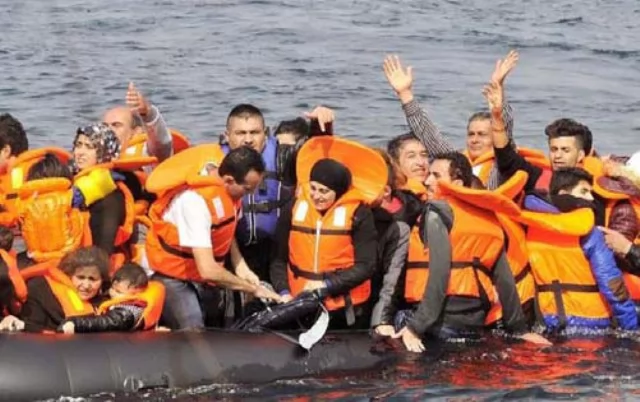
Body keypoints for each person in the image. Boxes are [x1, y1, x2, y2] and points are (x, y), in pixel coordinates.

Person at [390, 152, 549, 352]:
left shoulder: (437, 212)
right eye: (429, 174)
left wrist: (416, 327)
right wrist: (519, 330)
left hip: (439, 319)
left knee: (397, 319)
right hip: (474, 320)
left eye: (436, 176)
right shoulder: (489, 217)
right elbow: (504, 280)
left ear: (457, 183)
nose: (427, 181)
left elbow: (439, 273)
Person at [144, 145, 282, 330]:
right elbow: (208, 269)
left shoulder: (231, 195)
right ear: (229, 180)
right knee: (195, 329)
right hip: (172, 276)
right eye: (248, 189)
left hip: (204, 277)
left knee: (224, 324)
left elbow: (226, 231)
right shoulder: (195, 202)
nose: (250, 195)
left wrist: (242, 268)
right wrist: (252, 289)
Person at [270, 137, 383, 329]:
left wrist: (327, 286)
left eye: (324, 191)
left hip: (342, 307)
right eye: (313, 188)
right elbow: (278, 260)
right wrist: (283, 292)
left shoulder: (359, 214)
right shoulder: (294, 208)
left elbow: (366, 266)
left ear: (338, 192)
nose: (316, 196)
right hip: (299, 303)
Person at [517, 168, 638, 331]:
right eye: (584, 191)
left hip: (547, 321)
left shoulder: (529, 227)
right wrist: (631, 326)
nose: (591, 198)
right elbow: (611, 283)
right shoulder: (591, 234)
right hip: (593, 323)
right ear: (563, 193)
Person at [382, 51, 518, 189]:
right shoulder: (457, 162)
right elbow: (430, 137)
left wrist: (498, 93)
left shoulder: (502, 168)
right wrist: (405, 94)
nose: (474, 140)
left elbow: (505, 138)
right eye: (471, 134)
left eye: (482, 134)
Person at [7, 246, 111, 333]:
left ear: (102, 281)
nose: (86, 285)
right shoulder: (41, 290)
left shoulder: (107, 306)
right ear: (69, 275)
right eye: (81, 277)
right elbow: (31, 328)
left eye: (92, 279)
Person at [369, 152, 412, 335]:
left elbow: (392, 278)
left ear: (385, 191)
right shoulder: (351, 216)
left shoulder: (400, 227)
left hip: (378, 305)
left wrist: (382, 320)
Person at [58, 262, 165, 333]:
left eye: (119, 292)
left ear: (136, 293)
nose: (113, 294)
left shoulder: (130, 311)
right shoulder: (119, 297)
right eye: (113, 289)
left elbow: (108, 322)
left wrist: (76, 323)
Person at [103, 83, 173, 165]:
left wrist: (148, 113)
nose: (108, 130)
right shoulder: (94, 154)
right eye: (104, 126)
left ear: (136, 132)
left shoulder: (146, 153)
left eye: (116, 125)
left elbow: (162, 145)